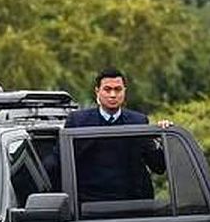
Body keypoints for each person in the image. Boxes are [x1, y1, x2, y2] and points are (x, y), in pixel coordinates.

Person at [63, 68, 170, 202]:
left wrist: (163, 135)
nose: (113, 95)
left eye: (118, 89)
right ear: (98, 91)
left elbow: (158, 166)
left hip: (133, 205)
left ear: (124, 91)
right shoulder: (78, 121)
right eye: (107, 89)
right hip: (89, 206)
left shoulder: (138, 121)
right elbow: (60, 163)